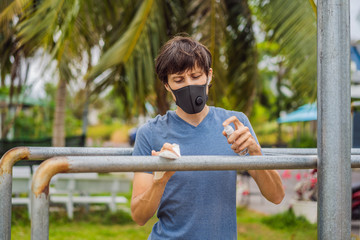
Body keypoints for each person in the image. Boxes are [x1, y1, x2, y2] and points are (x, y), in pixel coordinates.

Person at [131, 36, 285, 239]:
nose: (189, 84)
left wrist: (255, 152)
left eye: (196, 76)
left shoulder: (236, 124)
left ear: (209, 76)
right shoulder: (150, 133)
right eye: (179, 80)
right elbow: (139, 216)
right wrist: (159, 180)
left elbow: (276, 196)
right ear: (167, 85)